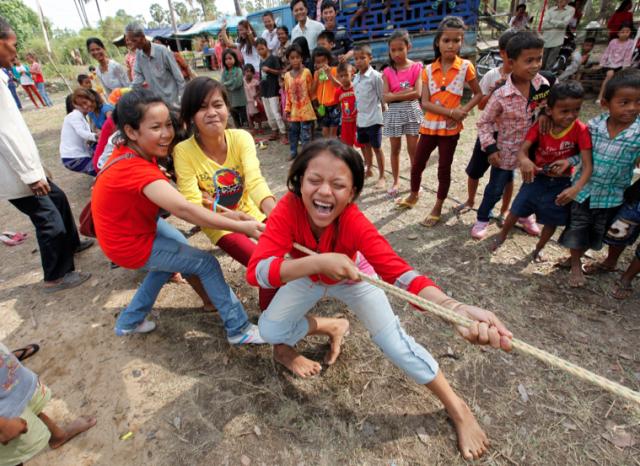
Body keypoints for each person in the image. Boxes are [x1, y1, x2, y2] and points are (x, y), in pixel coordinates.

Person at [246, 139, 513, 461]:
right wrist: (318, 263)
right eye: (314, 180)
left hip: (355, 277)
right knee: (271, 332)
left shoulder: (354, 221)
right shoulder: (288, 208)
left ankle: (457, 408)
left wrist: (451, 308)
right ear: (299, 181)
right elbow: (258, 271)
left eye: (338, 184)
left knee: (395, 345)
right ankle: (333, 326)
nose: (325, 192)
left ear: (353, 192)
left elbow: (398, 273)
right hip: (307, 275)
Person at [91, 88, 266, 340]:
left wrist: (231, 217)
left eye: (168, 125)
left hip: (130, 229)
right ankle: (239, 329)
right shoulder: (137, 169)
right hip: (128, 242)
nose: (166, 134)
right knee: (205, 263)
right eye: (155, 128)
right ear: (130, 131)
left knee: (175, 254)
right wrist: (241, 226)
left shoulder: (132, 152)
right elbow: (185, 209)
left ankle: (129, 320)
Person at [0, 17, 94, 293]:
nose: (16, 51)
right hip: (18, 174)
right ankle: (56, 275)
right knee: (49, 222)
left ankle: (73, 245)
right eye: (13, 44)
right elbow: (6, 136)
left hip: (26, 169)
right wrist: (31, 175)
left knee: (58, 199)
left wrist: (37, 168)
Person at [174, 77, 278, 312]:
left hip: (251, 212)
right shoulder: (183, 152)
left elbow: (254, 180)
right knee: (265, 267)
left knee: (289, 252)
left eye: (217, 105)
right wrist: (235, 221)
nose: (211, 113)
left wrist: (276, 216)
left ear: (227, 108)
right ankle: (272, 323)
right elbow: (193, 208)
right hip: (218, 223)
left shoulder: (241, 138)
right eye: (202, 107)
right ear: (191, 115)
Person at [396, 17, 482, 228]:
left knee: (444, 168)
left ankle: (438, 206)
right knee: (417, 165)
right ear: (438, 43)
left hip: (450, 131)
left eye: (456, 40)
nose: (451, 45)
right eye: (446, 40)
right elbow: (424, 103)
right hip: (429, 126)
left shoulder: (466, 67)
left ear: (461, 42)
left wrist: (464, 110)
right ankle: (414, 195)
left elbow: (478, 94)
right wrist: (451, 111)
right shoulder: (427, 70)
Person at [558, 69, 640, 287]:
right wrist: (570, 162)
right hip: (584, 191)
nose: (632, 108)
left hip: (612, 196)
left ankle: (597, 259)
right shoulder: (594, 126)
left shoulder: (639, 132)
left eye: (638, 102)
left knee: (598, 232)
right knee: (577, 227)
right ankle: (575, 264)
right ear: (606, 103)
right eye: (624, 102)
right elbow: (583, 153)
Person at [493, 81, 593, 260]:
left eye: (576, 110)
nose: (570, 116)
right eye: (564, 111)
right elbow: (523, 151)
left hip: (561, 183)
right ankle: (502, 235)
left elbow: (588, 165)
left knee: (551, 220)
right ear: (549, 109)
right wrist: (524, 161)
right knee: (516, 209)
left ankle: (538, 248)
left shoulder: (581, 130)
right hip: (536, 178)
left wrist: (575, 189)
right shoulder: (541, 125)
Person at [472, 32, 550, 240]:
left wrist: (544, 114)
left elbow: (546, 109)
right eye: (529, 60)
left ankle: (525, 216)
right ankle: (482, 218)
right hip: (505, 150)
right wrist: (490, 148)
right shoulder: (500, 94)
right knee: (495, 188)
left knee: (531, 187)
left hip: (532, 151)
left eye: (539, 59)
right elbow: (484, 122)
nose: (535, 65)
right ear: (511, 62)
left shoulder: (542, 85)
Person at [0, 342, 97, 466]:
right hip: (5, 417)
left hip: (12, 383)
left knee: (31, 407)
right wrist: (3, 426)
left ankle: (58, 436)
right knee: (11, 460)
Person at [456, 30, 518, 219]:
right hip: (489, 134)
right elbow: (481, 105)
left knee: (507, 177)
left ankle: (504, 209)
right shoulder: (492, 75)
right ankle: (471, 200)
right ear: (502, 53)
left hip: (510, 137)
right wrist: (493, 90)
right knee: (475, 170)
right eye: (511, 52)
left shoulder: (525, 79)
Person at [382, 29, 424, 197]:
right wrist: (405, 92)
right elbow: (385, 98)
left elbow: (418, 93)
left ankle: (416, 182)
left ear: (409, 47)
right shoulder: (387, 72)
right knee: (395, 149)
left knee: (413, 151)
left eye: (400, 49)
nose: (397, 53)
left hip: (412, 110)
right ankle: (396, 181)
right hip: (393, 113)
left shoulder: (416, 67)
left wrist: (395, 95)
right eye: (393, 50)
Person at [125, 23, 185, 109]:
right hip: (159, 104)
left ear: (142, 37)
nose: (133, 45)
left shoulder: (162, 51)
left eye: (134, 40)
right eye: (131, 41)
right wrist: (128, 92)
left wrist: (181, 99)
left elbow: (179, 77)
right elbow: (138, 77)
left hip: (175, 102)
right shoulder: (139, 55)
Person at [353, 44, 385, 189]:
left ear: (370, 58)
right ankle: (369, 168)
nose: (359, 61)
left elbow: (382, 96)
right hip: (361, 120)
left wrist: (385, 116)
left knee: (377, 147)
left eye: (362, 58)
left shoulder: (376, 77)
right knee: (365, 146)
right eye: (356, 59)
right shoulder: (355, 78)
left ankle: (382, 175)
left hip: (374, 119)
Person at [284, 44, 316, 159]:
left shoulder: (307, 72)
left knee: (306, 134)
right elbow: (288, 93)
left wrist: (315, 105)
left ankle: (306, 154)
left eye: (297, 57)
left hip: (306, 109)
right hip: (294, 111)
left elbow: (311, 90)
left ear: (301, 58)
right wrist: (287, 109)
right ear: (288, 59)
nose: (295, 60)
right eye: (292, 58)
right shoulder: (287, 76)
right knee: (293, 133)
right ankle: (293, 152)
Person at [59, 88, 99, 176]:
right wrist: (97, 136)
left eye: (86, 102)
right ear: (75, 105)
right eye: (81, 104)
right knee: (102, 171)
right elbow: (82, 133)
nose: (85, 106)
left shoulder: (83, 117)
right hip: (73, 157)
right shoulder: (74, 116)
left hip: (79, 155)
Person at [256, 38, 288, 143]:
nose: (260, 51)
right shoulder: (261, 61)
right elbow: (261, 77)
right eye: (258, 49)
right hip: (264, 91)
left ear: (267, 47)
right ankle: (274, 131)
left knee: (276, 112)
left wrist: (269, 70)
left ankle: (283, 132)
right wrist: (259, 91)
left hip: (273, 89)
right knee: (269, 113)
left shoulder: (273, 59)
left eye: (262, 48)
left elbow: (280, 71)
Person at [596, 23, 635, 105]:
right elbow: (607, 53)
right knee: (609, 75)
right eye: (622, 31)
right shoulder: (613, 42)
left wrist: (624, 68)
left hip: (621, 65)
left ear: (630, 33)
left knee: (621, 79)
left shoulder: (631, 43)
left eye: (627, 32)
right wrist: (602, 64)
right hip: (609, 64)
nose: (625, 33)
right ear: (618, 33)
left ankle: (614, 99)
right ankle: (600, 97)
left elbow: (628, 56)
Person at [311, 47, 341, 138]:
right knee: (324, 133)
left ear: (328, 60)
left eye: (323, 61)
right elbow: (312, 91)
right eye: (318, 62)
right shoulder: (316, 74)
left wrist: (329, 74)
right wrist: (316, 78)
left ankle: (334, 150)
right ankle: (328, 149)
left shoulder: (334, 70)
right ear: (315, 63)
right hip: (323, 106)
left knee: (333, 133)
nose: (321, 64)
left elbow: (339, 86)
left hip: (334, 105)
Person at [541, 0, 575, 70]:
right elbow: (544, 25)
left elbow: (564, 24)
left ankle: (546, 79)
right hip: (546, 39)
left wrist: (551, 20)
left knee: (549, 64)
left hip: (557, 41)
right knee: (541, 61)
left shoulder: (570, 10)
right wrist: (557, 24)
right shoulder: (551, 10)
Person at [334, 62, 360, 149]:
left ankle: (367, 162)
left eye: (346, 75)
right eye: (341, 76)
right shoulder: (338, 92)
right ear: (338, 77)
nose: (344, 78)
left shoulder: (357, 88)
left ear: (352, 74)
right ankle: (351, 161)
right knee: (347, 146)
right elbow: (338, 105)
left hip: (358, 122)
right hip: (345, 123)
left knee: (362, 144)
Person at [221, 49, 248, 129]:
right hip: (231, 99)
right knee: (234, 117)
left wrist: (227, 84)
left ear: (235, 59)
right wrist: (232, 81)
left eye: (230, 58)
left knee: (243, 117)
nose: (228, 61)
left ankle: (245, 131)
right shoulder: (224, 72)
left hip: (240, 98)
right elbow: (222, 83)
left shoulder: (238, 70)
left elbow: (238, 83)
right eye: (226, 59)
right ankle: (238, 129)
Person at [243, 63, 265, 133]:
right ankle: (252, 128)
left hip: (254, 101)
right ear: (244, 72)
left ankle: (260, 127)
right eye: (247, 71)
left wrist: (256, 95)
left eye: (250, 71)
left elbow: (259, 90)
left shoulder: (255, 81)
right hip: (247, 101)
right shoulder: (242, 81)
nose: (248, 73)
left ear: (253, 73)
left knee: (257, 114)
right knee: (250, 116)